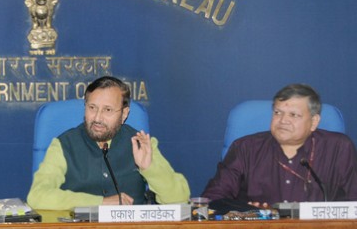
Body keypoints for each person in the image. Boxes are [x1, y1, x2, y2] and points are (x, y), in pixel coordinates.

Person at [27, 76, 190, 210]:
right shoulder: (64, 145)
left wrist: (149, 168)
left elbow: (179, 199)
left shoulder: (141, 144)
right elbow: (37, 196)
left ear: (124, 113)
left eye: (108, 110)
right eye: (92, 108)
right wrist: (100, 203)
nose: (97, 118)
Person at [202, 84, 357, 206]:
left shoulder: (339, 148)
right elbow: (212, 199)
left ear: (314, 122)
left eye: (293, 115)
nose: (283, 120)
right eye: (277, 112)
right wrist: (249, 212)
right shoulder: (246, 148)